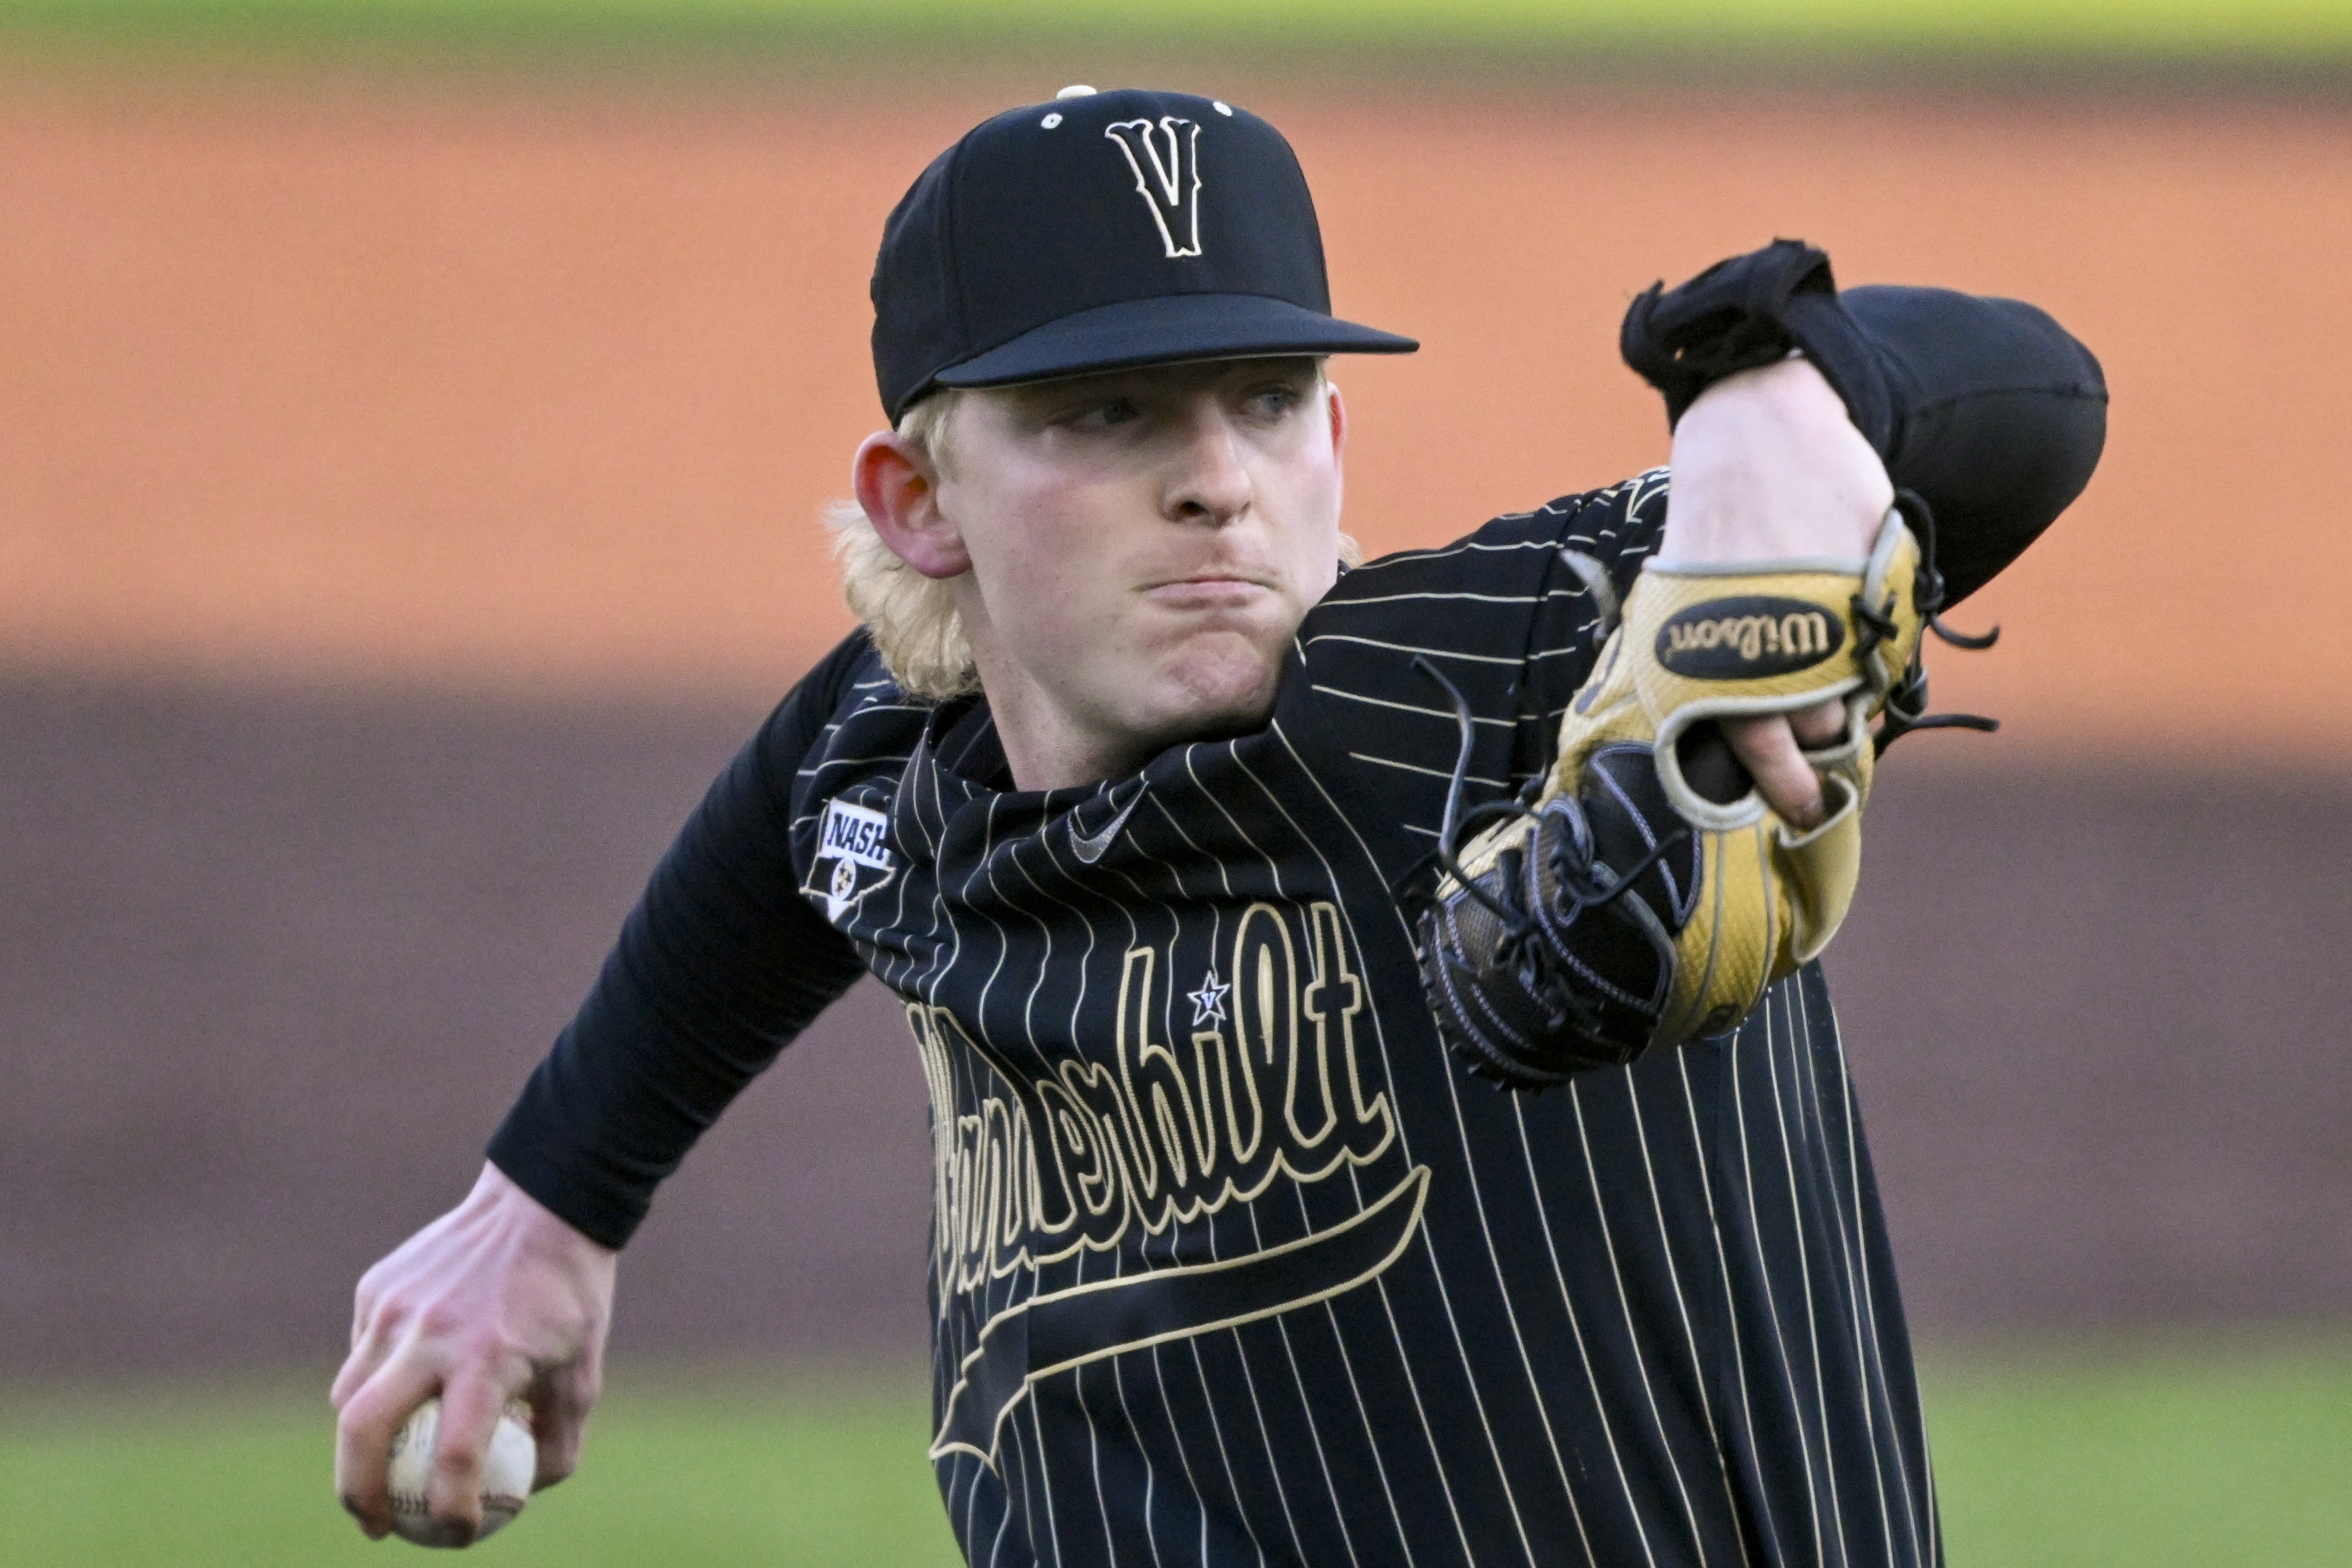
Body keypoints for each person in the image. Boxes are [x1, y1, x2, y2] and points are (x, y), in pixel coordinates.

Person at [333, 86, 2105, 1565]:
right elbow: (789, 816)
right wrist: (549, 1201)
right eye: (1104, 414)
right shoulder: (892, 773)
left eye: (1263, 401)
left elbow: (2040, 397)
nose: (1215, 477)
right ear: (921, 503)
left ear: (1335, 433)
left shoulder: (1517, 662)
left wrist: (1770, 409)